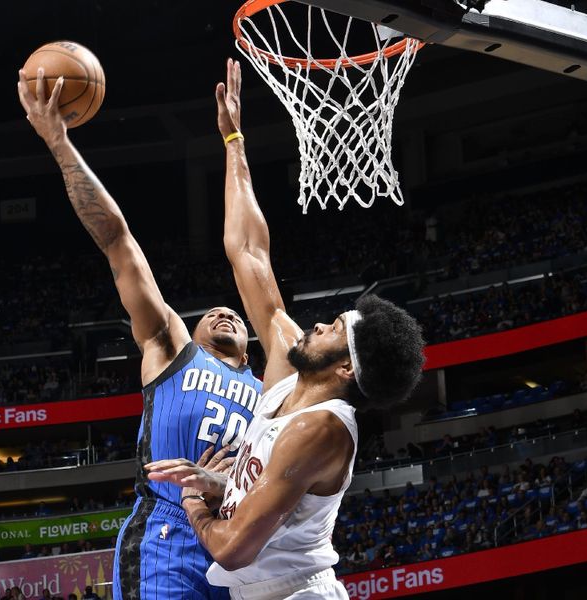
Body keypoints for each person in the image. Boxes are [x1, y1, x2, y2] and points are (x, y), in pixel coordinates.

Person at [145, 59, 424, 600]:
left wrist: (195, 505)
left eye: (335, 328)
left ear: (346, 367)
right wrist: (233, 140)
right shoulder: (284, 384)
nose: (318, 323)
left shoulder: (321, 427)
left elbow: (232, 549)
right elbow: (249, 253)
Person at [18, 68, 263, 600]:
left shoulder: (271, 393)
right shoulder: (172, 348)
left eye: (235, 316)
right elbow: (116, 239)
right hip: (168, 543)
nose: (224, 311)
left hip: (242, 551)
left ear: (252, 343)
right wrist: (59, 144)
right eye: (210, 314)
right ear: (191, 332)